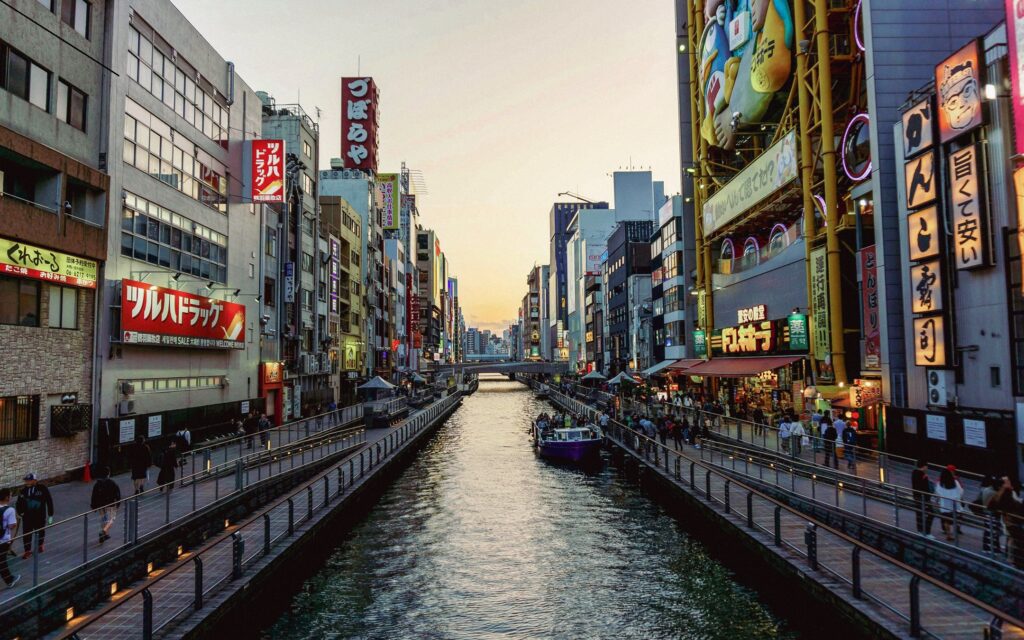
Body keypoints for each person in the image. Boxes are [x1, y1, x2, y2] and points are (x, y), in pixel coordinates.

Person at [15, 473, 53, 559]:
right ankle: (27, 551)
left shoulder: (42, 488)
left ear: (35, 481)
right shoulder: (23, 491)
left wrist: (50, 515)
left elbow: (49, 501)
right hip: (27, 517)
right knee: (26, 534)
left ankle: (40, 544)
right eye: (26, 480)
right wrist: (20, 512)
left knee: (40, 531)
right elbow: (18, 503)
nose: (27, 482)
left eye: (29, 480)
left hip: (39, 516)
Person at [90, 466, 121, 544]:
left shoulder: (97, 484)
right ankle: (103, 532)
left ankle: (105, 534)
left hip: (100, 505)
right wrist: (118, 503)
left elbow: (94, 495)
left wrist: (94, 506)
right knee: (111, 519)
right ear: (108, 473)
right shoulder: (112, 483)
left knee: (103, 519)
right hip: (110, 504)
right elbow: (117, 494)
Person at [934, 467, 964, 541]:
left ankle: (948, 534)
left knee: (946, 521)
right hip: (954, 504)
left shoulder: (940, 483)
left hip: (944, 505)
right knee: (955, 519)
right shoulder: (955, 482)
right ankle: (956, 532)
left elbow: (937, 492)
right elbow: (960, 491)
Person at [911, 459, 936, 538]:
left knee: (919, 513)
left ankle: (920, 531)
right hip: (924, 498)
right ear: (924, 466)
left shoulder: (914, 473)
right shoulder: (923, 475)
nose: (927, 468)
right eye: (927, 466)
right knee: (931, 513)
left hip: (916, 496)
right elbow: (925, 488)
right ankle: (927, 532)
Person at [0, 489, 19, 589]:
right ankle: (10, 580)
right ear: (7, 497)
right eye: (10, 495)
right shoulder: (10, 510)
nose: (11, 497)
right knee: (2, 561)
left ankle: (10, 579)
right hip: (3, 539)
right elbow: (12, 525)